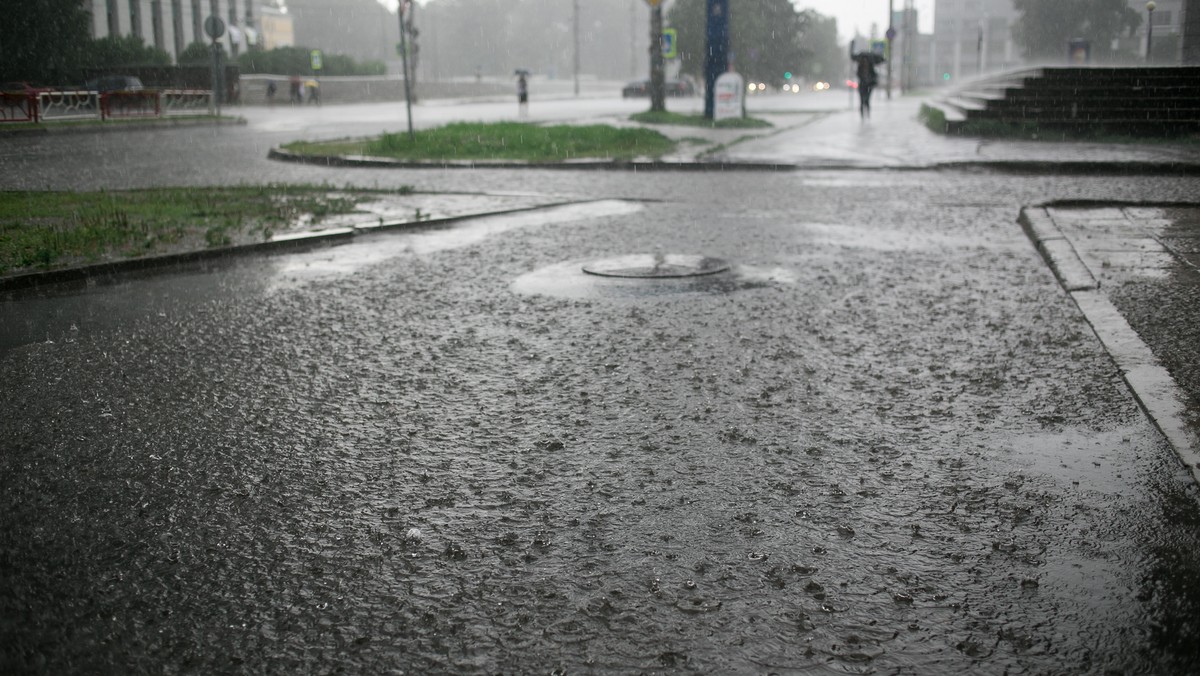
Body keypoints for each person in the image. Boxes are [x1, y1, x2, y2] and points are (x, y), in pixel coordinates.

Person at [854, 53, 881, 119]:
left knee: (867, 101)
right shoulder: (860, 68)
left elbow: (875, 76)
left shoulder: (871, 68)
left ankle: (868, 114)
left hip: (869, 86)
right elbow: (858, 75)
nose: (865, 62)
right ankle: (862, 116)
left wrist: (870, 80)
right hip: (862, 86)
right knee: (862, 101)